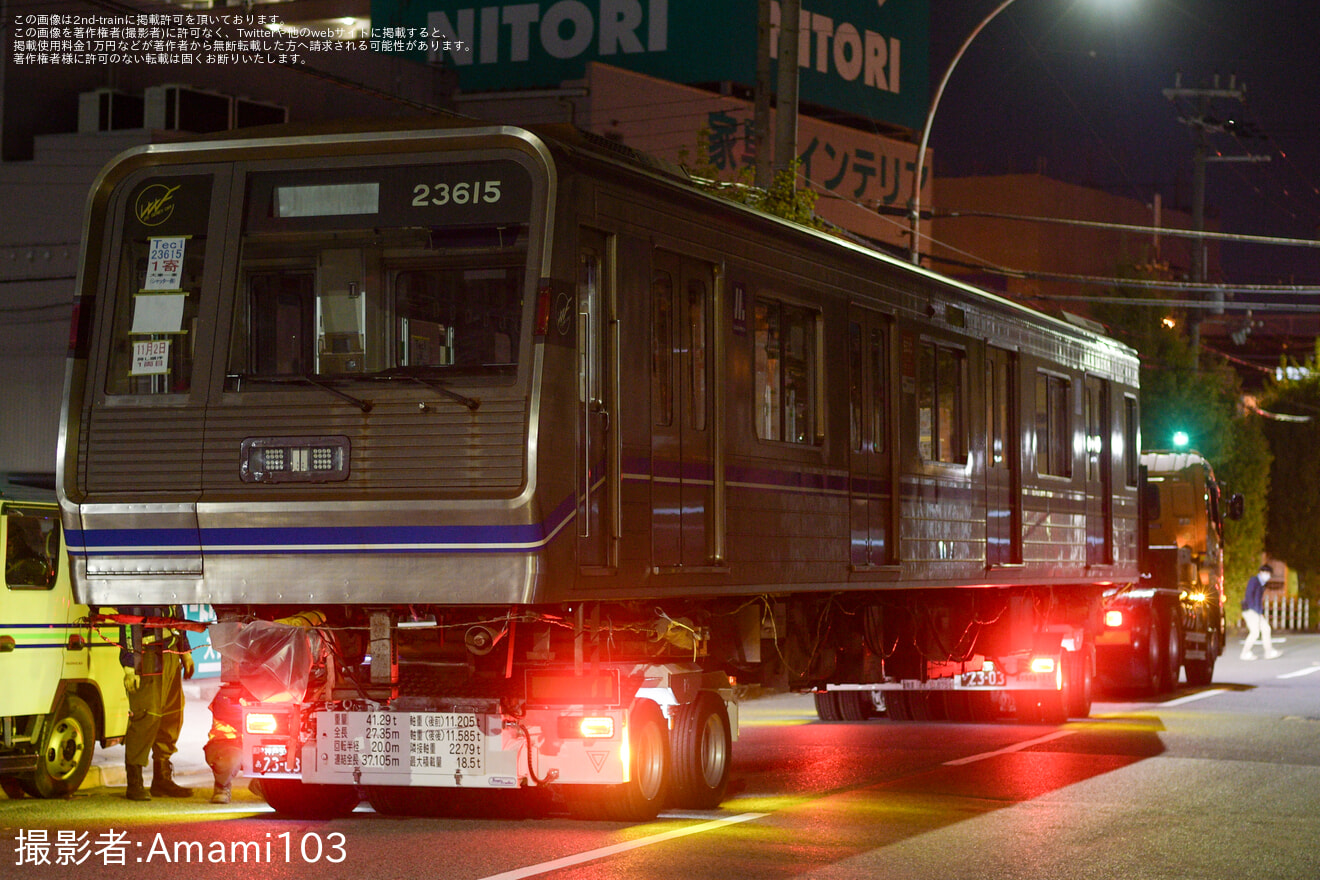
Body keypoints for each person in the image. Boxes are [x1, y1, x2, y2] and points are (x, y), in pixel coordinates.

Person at [120, 605, 195, 800]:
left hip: (171, 656)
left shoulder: (172, 587)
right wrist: (130, 666)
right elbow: (128, 624)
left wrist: (185, 652)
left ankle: (161, 780)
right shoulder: (138, 588)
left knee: (172, 716)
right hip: (147, 657)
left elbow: (179, 620)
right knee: (146, 717)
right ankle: (134, 782)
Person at [1240, 565, 1282, 661]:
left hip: (1257, 611)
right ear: (1261, 572)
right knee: (1255, 632)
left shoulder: (1261, 584)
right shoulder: (1254, 581)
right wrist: (1254, 610)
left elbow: (1258, 599)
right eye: (1267, 573)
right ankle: (1244, 653)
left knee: (1266, 629)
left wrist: (1260, 612)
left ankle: (1269, 652)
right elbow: (1249, 595)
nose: (1268, 576)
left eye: (1269, 574)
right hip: (1250, 610)